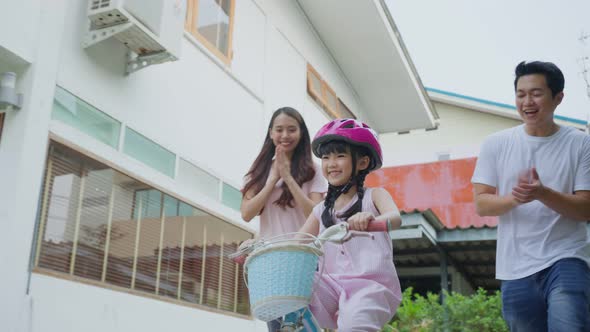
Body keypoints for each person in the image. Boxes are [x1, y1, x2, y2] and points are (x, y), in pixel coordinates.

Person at [472, 61, 590, 331]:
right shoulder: (496, 143)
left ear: (558, 97)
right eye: (521, 94)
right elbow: (482, 203)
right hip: (515, 267)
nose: (527, 101)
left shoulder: (581, 144)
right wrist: (518, 197)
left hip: (567, 258)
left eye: (536, 93)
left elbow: (586, 209)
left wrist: (542, 193)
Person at [298, 118, 402, 332]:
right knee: (292, 290)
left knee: (353, 325)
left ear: (362, 163)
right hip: (330, 285)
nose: (331, 163)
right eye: (326, 157)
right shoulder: (321, 210)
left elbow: (395, 217)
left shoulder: (374, 197)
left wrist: (372, 220)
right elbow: (296, 241)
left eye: (340, 156)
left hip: (370, 286)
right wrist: (259, 247)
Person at [240, 107, 327, 331]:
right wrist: (272, 180)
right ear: (271, 133)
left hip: (303, 260)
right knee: (278, 327)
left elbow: (315, 214)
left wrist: (288, 178)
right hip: (271, 263)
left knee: (303, 325)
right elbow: (247, 213)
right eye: (279, 129)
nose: (285, 135)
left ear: (301, 133)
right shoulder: (259, 171)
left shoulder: (313, 171)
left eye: (291, 129)